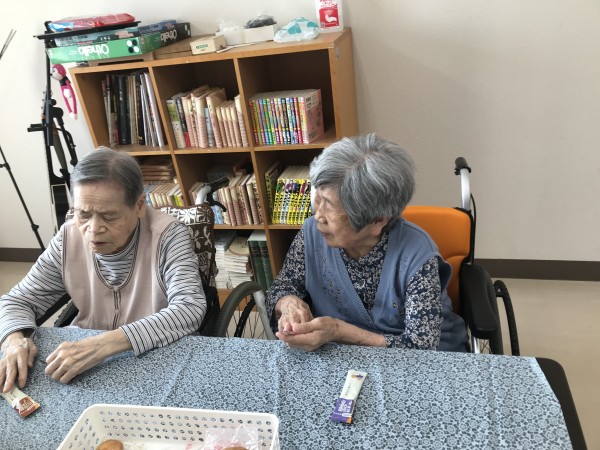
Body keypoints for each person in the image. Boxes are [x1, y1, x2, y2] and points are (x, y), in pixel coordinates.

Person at [0, 148, 206, 392]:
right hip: (83, 360)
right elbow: (17, 300)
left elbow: (189, 307)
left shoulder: (168, 236)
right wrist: (14, 340)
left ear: (139, 205)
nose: (94, 229)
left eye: (109, 216)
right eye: (83, 214)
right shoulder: (68, 238)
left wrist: (103, 345)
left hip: (153, 354)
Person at [265, 133, 467, 352]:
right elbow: (284, 285)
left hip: (419, 359)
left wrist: (337, 331)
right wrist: (289, 303)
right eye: (318, 198)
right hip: (341, 356)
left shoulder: (417, 256)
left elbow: (420, 347)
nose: (318, 216)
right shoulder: (312, 234)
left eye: (330, 206)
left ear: (378, 220)